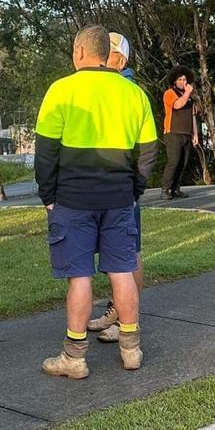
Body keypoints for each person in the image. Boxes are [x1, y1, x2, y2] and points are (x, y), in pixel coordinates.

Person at [37, 25, 157, 378]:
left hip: (73, 199)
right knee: (122, 271)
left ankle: (74, 357)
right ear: (106, 54)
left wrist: (48, 196)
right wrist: (133, 189)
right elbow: (148, 152)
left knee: (80, 277)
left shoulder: (61, 90)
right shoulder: (132, 93)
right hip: (119, 198)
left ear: (78, 52)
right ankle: (131, 349)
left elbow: (45, 153)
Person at [88, 32, 145, 342]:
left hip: (120, 183)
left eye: (107, 53)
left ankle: (126, 321)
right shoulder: (109, 88)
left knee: (128, 254)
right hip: (109, 183)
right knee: (118, 254)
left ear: (120, 60)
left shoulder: (125, 90)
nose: (100, 57)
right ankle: (119, 312)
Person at [160, 66, 198, 199]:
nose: (183, 82)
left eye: (185, 80)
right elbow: (177, 105)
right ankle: (165, 190)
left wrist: (195, 134)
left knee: (183, 163)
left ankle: (176, 189)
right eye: (180, 80)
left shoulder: (190, 98)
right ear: (175, 81)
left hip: (187, 133)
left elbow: (193, 115)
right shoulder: (169, 93)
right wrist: (187, 93)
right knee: (173, 162)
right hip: (173, 132)